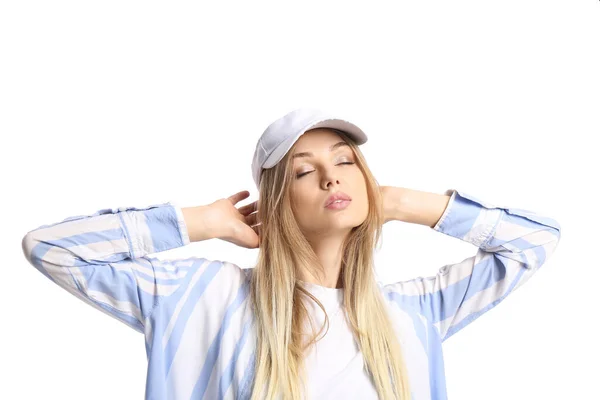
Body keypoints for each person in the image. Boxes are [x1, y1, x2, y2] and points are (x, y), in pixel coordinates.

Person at [21, 107, 562, 400]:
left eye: (346, 161)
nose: (331, 176)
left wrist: (402, 203)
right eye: (304, 170)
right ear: (279, 202)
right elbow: (51, 249)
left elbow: (533, 242)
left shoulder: (414, 313)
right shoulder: (202, 296)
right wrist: (199, 222)